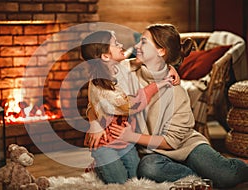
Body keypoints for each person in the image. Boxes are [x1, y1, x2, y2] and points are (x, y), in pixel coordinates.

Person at [107, 23, 248, 189]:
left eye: (143, 42)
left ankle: (240, 165)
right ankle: (198, 178)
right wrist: (168, 67)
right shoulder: (128, 73)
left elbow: (172, 142)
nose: (136, 45)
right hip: (154, 154)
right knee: (149, 169)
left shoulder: (176, 92)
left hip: (186, 146)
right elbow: (106, 69)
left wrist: (132, 137)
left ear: (161, 51)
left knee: (227, 177)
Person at [80, 30, 179, 184]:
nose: (120, 45)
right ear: (105, 56)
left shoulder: (118, 67)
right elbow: (130, 105)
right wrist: (157, 85)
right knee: (119, 181)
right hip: (105, 143)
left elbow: (137, 61)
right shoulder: (99, 85)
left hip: (125, 141)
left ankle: (107, 168)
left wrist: (170, 67)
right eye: (115, 44)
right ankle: (97, 167)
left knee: (135, 179)